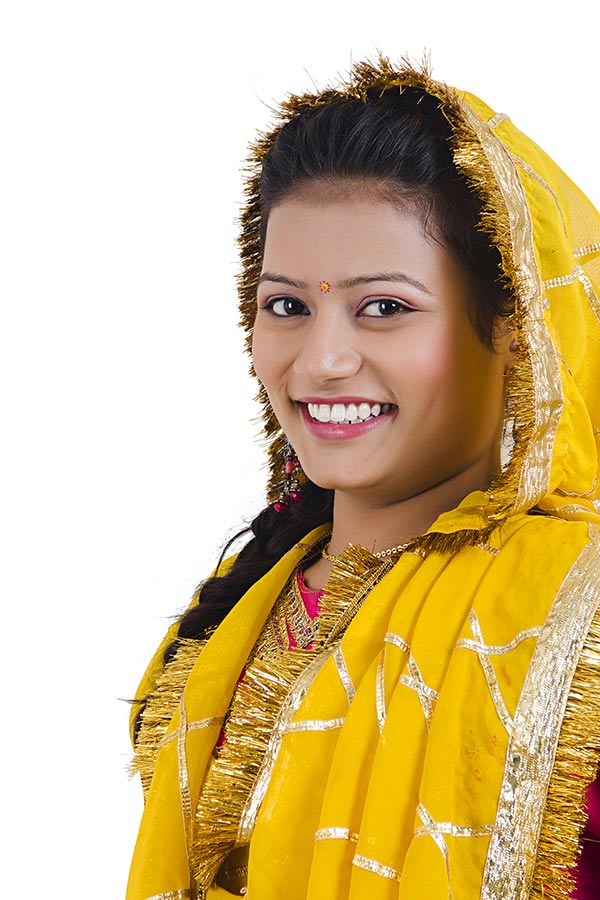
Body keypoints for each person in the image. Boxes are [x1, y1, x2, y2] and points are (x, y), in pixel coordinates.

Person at [126, 58, 600, 900]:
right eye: (287, 306)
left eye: (384, 307)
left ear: (515, 330)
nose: (323, 360)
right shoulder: (234, 617)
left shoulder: (571, 619)